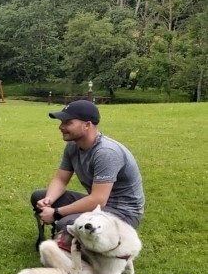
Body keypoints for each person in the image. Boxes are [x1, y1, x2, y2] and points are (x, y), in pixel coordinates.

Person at [30, 100, 144, 249]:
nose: (61, 127)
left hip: (123, 212)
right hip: (100, 205)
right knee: (38, 196)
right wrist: (48, 201)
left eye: (68, 122)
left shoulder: (106, 153)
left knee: (67, 223)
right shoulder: (73, 146)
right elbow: (61, 179)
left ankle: (78, 251)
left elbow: (98, 199)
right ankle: (68, 242)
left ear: (87, 125)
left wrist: (56, 213)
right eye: (61, 122)